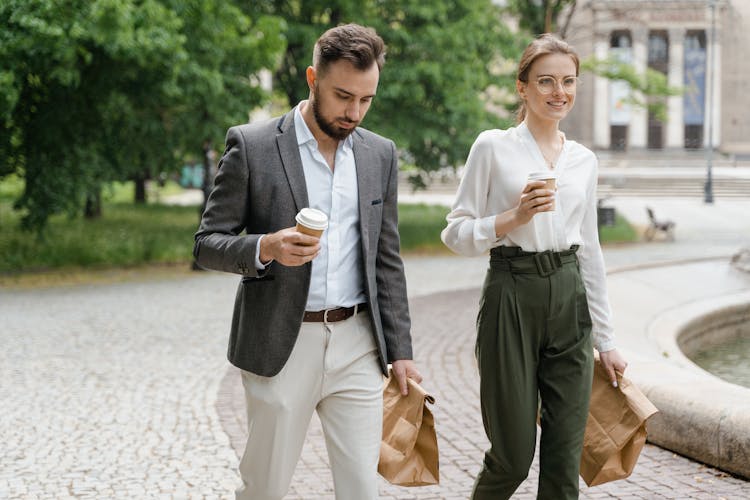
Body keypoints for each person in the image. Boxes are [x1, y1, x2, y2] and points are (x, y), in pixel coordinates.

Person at [193, 23, 421, 500]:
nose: (354, 112)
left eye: (366, 99)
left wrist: (399, 349)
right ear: (312, 79)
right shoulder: (252, 145)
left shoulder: (380, 154)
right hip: (281, 340)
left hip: (358, 343)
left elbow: (386, 258)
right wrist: (265, 247)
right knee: (266, 488)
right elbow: (207, 243)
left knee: (362, 489)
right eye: (343, 96)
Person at [441, 34, 628, 499]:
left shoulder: (584, 161)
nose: (557, 92)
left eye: (567, 81)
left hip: (570, 298)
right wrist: (513, 218)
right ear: (522, 87)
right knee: (513, 455)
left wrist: (607, 341)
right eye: (545, 81)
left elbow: (590, 252)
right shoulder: (492, 147)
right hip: (512, 291)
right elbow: (454, 233)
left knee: (565, 461)